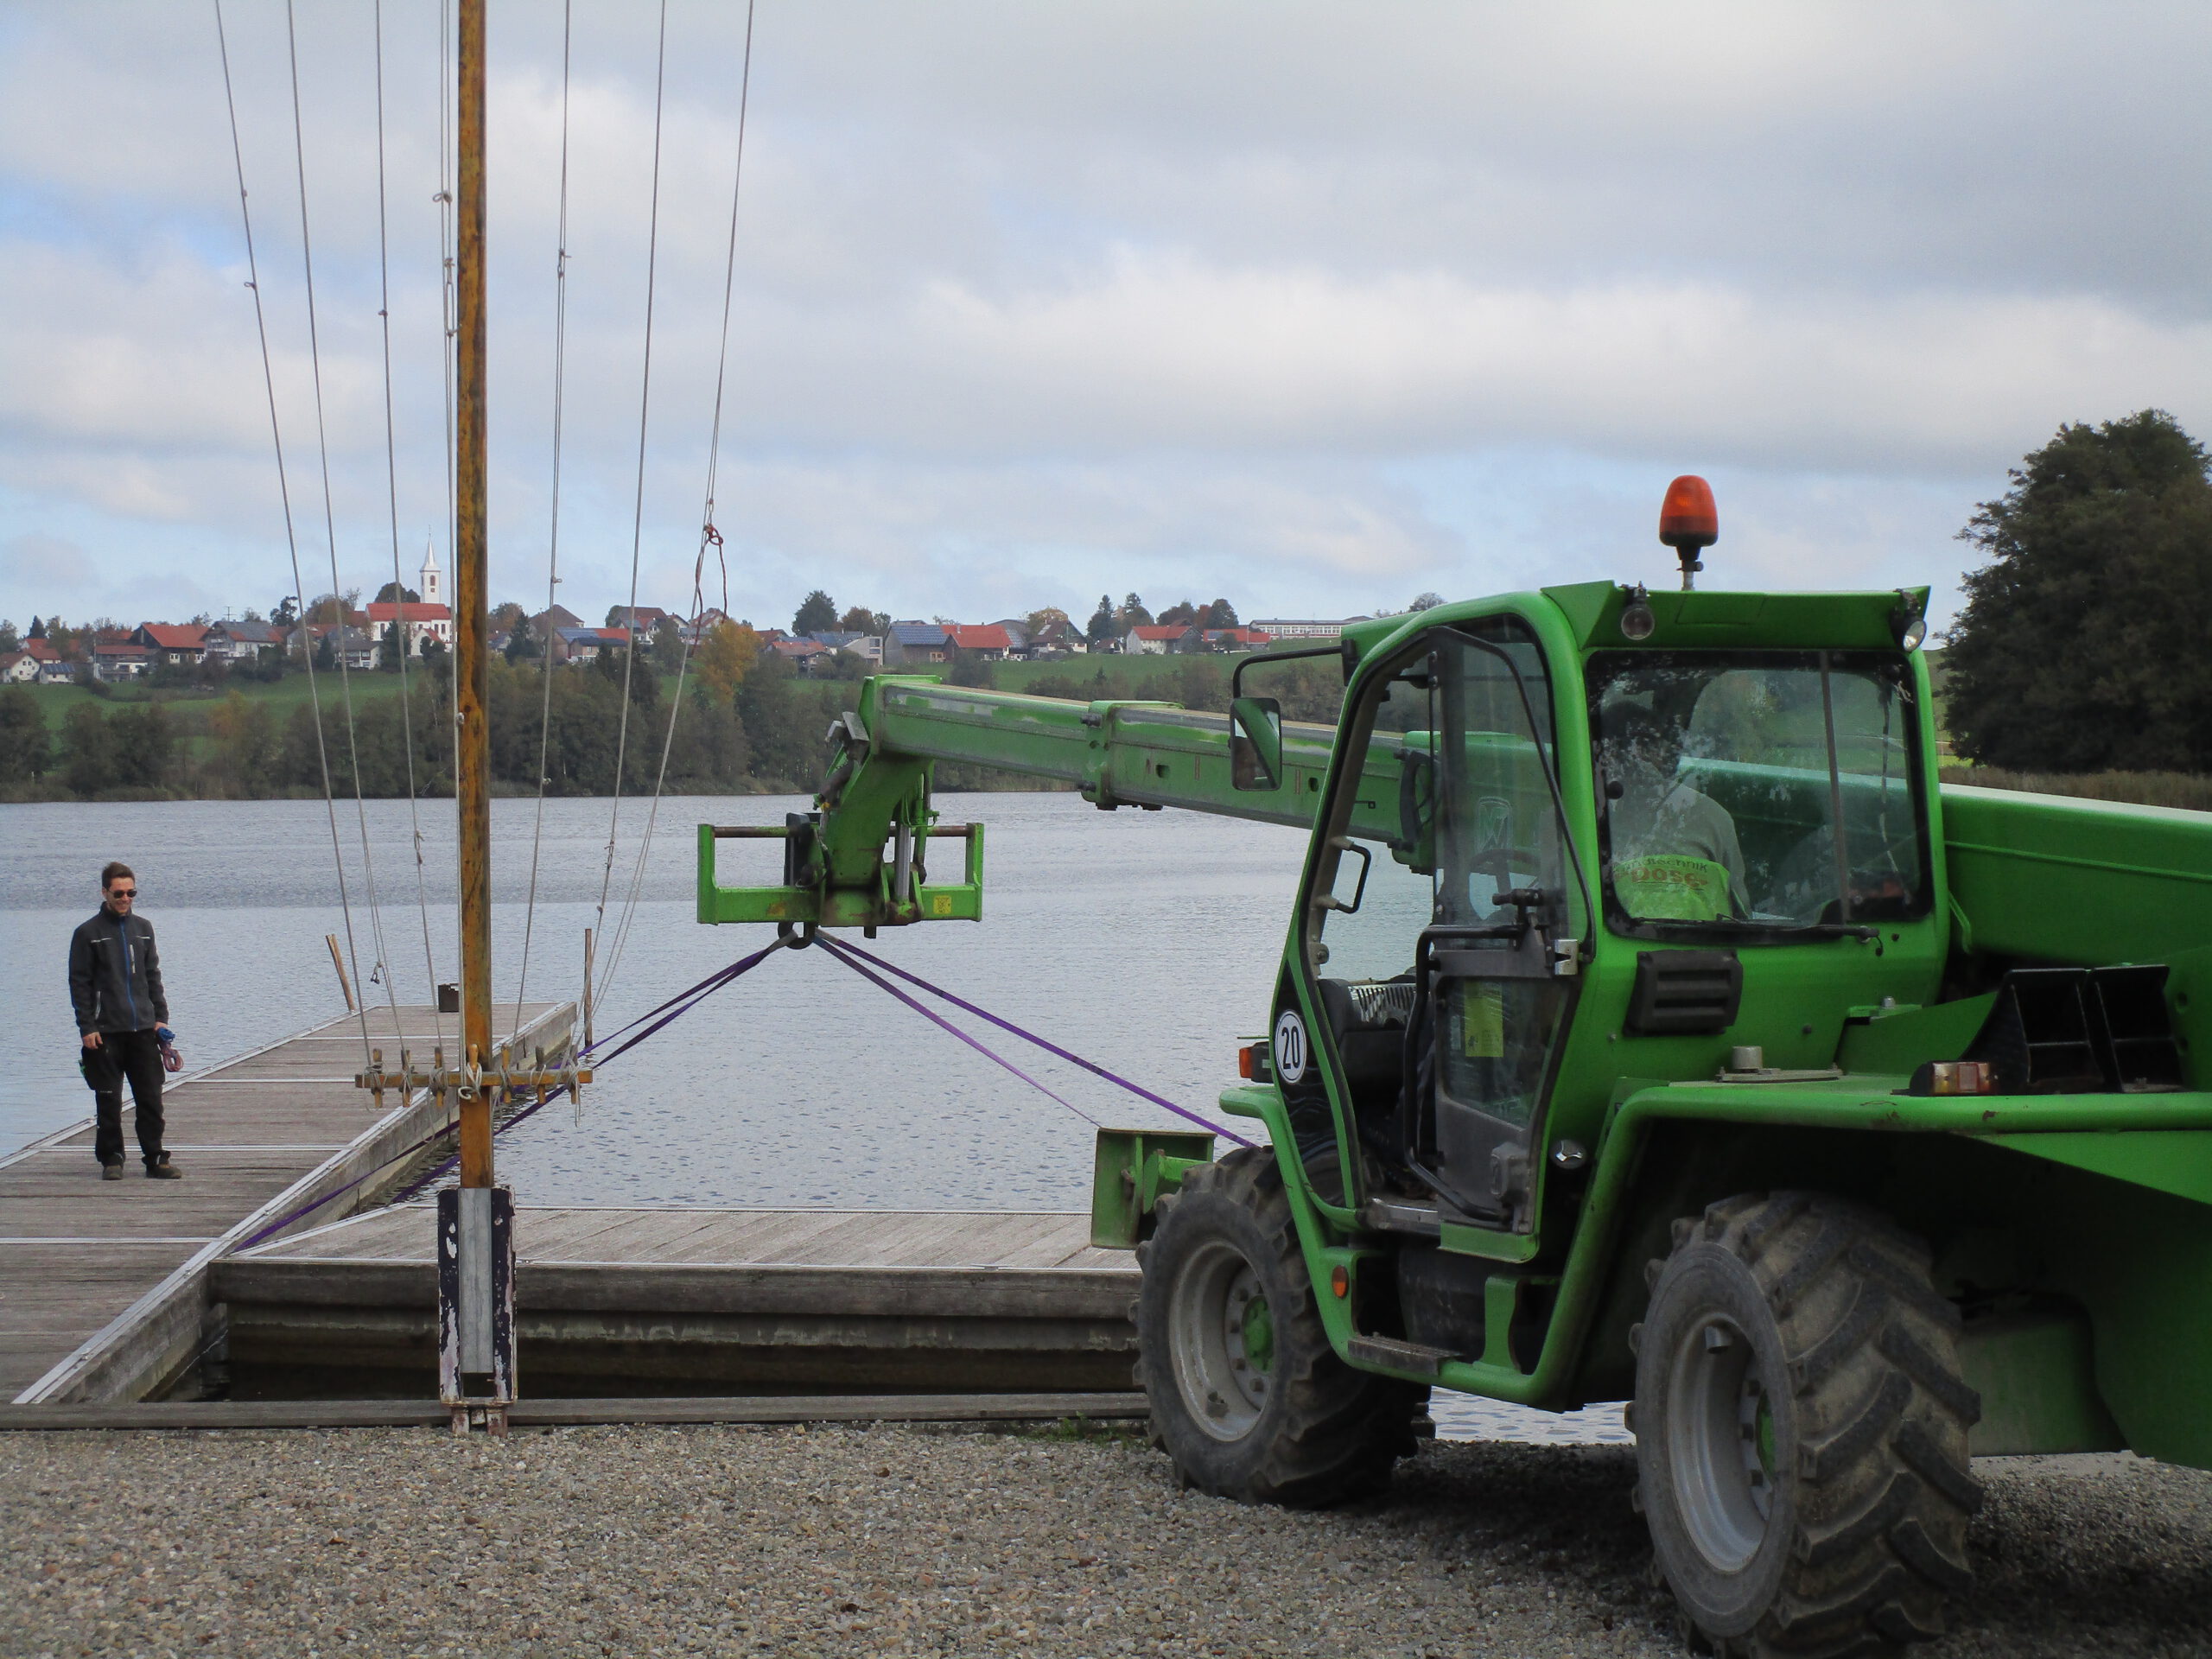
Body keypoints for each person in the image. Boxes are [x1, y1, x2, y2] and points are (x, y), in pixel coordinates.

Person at [68, 861, 181, 1180]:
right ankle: (112, 1158)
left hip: (143, 1030)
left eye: (131, 892)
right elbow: (79, 983)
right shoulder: (87, 934)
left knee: (150, 1098)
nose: (125, 898)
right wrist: (87, 1027)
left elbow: (152, 976)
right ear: (105, 892)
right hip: (105, 1033)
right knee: (108, 1100)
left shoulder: (143, 928)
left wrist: (160, 1019)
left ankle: (156, 1158)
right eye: (119, 893)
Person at [1599, 699, 1749, 921]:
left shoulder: (1712, 817)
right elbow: (1741, 910)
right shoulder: (1712, 815)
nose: (1643, 761)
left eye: (1648, 747)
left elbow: (1739, 912)